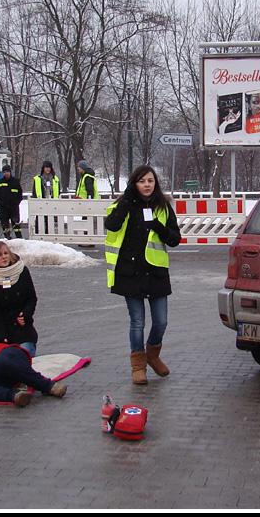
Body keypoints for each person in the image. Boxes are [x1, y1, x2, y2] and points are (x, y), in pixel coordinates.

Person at [104, 165, 182, 385]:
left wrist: (160, 228)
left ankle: (153, 355)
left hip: (156, 272)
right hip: (131, 272)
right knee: (137, 322)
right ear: (134, 184)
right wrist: (127, 201)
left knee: (161, 322)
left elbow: (175, 239)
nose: (147, 185)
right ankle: (138, 365)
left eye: (150, 180)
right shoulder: (123, 205)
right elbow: (111, 225)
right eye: (142, 181)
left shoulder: (163, 207)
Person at [0, 240, 39, 357]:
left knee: (21, 358)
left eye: (6, 253)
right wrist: (2, 336)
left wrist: (25, 314)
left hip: (21, 328)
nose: (4, 257)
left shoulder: (22, 271)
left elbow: (31, 298)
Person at [0, 165, 23, 239]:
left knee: (16, 224)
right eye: (4, 172)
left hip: (13, 207)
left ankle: (19, 238)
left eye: (7, 172)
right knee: (4, 224)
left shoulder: (15, 182)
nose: (6, 173)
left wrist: (16, 202)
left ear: (10, 172)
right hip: (3, 208)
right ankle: (7, 238)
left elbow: (19, 194)